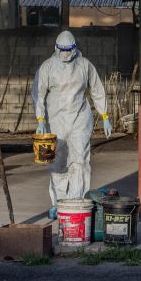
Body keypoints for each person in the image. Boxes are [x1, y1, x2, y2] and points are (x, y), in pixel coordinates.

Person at [32, 30, 110, 219]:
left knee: (80, 161)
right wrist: (41, 120)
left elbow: (97, 90)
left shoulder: (84, 66)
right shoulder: (47, 67)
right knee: (58, 164)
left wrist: (105, 115)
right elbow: (38, 94)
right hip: (55, 121)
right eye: (62, 50)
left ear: (75, 49)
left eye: (68, 50)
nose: (65, 54)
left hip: (80, 120)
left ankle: (76, 203)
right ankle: (59, 203)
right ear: (56, 48)